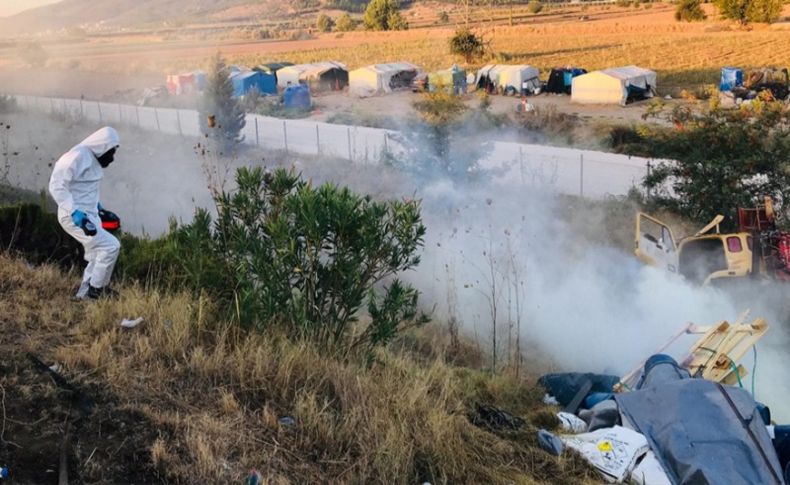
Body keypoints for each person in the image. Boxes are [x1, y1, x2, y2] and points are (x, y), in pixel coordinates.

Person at [49, 127, 121, 300]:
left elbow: (85, 189)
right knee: (110, 246)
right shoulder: (76, 157)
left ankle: (84, 295)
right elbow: (56, 186)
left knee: (97, 253)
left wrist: (100, 209)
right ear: (102, 147)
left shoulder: (92, 160)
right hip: (74, 216)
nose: (112, 158)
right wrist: (75, 213)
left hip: (89, 215)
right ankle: (96, 291)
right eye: (110, 152)